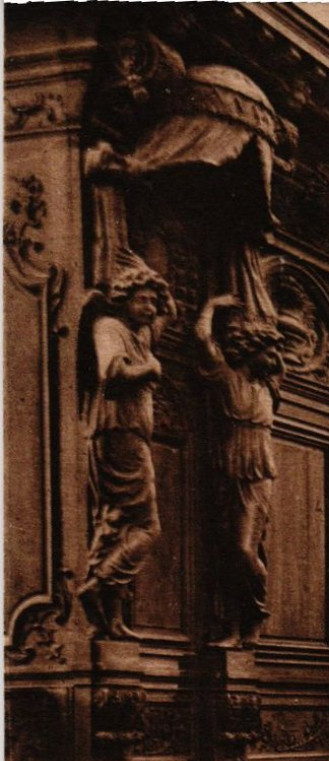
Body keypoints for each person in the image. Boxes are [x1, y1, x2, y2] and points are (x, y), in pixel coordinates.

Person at [76, 253, 172, 638]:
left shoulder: (139, 333)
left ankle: (111, 620)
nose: (150, 307)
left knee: (117, 524)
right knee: (147, 527)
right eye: (143, 300)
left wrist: (150, 271)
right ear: (124, 299)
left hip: (130, 433)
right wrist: (150, 369)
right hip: (118, 433)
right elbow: (112, 372)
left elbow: (170, 312)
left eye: (152, 300)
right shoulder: (109, 326)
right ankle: (99, 581)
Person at [194, 294, 291, 647]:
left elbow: (280, 364)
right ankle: (235, 629)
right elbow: (203, 338)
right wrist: (212, 307)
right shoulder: (226, 377)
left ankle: (256, 615)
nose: (276, 359)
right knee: (226, 552)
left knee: (243, 549)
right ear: (252, 351)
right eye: (270, 351)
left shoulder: (269, 389)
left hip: (257, 472)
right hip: (227, 468)